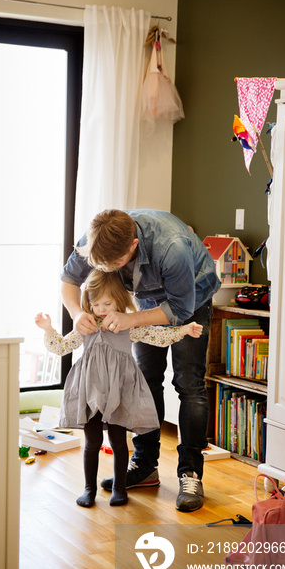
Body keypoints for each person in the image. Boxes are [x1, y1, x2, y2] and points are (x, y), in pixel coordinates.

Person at [60, 209, 221, 512]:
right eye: (99, 265)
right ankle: (145, 466)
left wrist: (130, 318)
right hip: (148, 299)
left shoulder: (170, 247)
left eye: (114, 266)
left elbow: (179, 309)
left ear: (132, 246)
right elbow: (69, 279)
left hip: (190, 301)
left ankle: (190, 474)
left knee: (188, 383)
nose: (105, 270)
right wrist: (77, 313)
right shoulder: (97, 241)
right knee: (144, 382)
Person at [35, 269, 203, 508]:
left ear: (119, 300)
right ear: (88, 303)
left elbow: (156, 335)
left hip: (119, 391)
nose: (101, 309)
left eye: (107, 303)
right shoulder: (86, 326)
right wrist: (48, 329)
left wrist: (183, 330)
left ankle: (119, 488)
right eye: (95, 304)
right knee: (91, 442)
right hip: (90, 391)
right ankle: (89, 489)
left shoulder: (127, 325)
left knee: (118, 441)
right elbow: (61, 347)